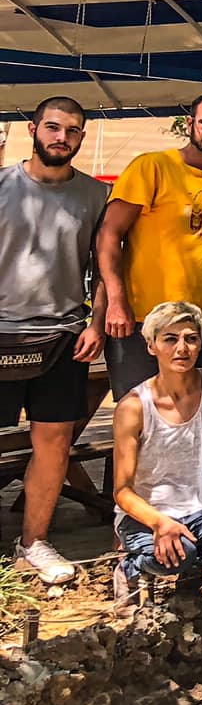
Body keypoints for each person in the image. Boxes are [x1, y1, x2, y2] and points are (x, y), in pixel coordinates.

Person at [0, 96, 107, 585]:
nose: (62, 137)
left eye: (72, 130)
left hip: (63, 336)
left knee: (55, 443)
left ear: (81, 137)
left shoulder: (96, 196)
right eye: (53, 127)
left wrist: (97, 322)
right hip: (2, 331)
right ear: (33, 130)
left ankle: (33, 543)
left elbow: (105, 269)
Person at [97, 91, 202, 399]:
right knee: (137, 412)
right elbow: (109, 234)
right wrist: (116, 301)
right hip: (142, 320)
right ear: (190, 124)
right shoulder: (152, 167)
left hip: (198, 323)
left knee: (185, 412)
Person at [110, 302, 202, 598]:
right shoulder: (134, 407)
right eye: (170, 339)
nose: (182, 348)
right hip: (150, 513)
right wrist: (159, 523)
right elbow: (122, 491)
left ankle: (192, 569)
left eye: (191, 339)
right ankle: (131, 565)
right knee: (176, 555)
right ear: (151, 346)